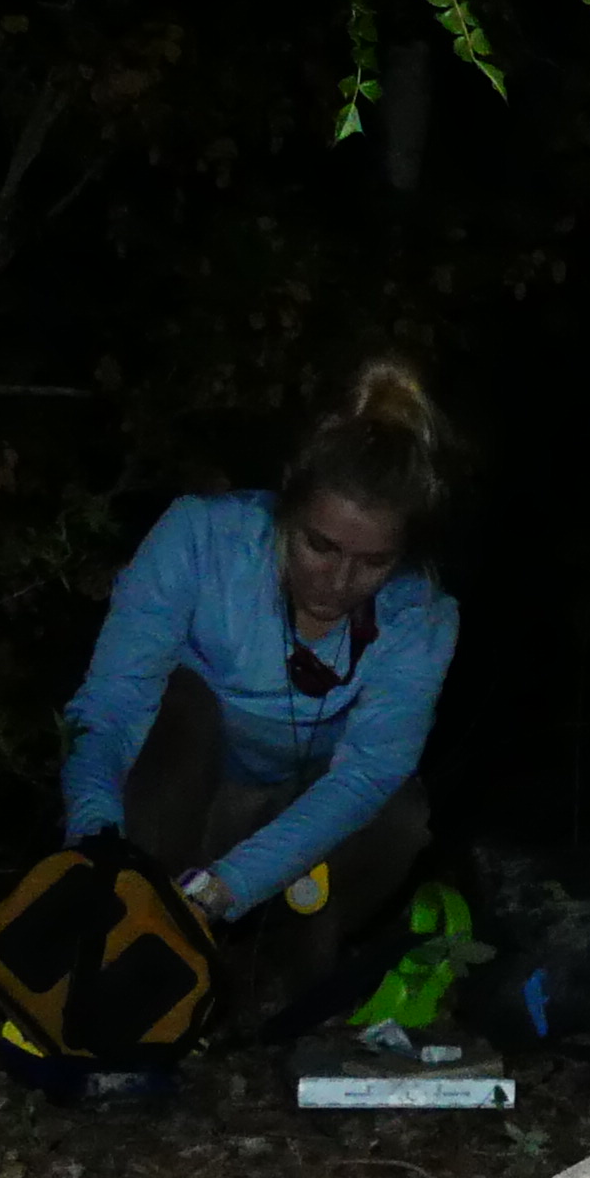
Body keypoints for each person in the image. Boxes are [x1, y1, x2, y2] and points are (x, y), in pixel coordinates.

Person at [59, 362, 459, 1032]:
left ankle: (284, 973)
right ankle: (131, 932)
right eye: (319, 545)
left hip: (296, 829)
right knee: (181, 707)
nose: (336, 581)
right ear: (289, 505)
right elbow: (105, 711)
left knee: (401, 814)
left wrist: (225, 889)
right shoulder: (199, 537)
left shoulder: (423, 616)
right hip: (185, 805)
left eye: (372, 562)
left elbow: (367, 774)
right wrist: (94, 836)